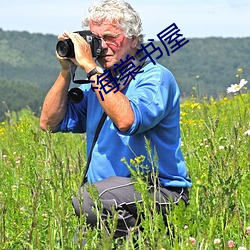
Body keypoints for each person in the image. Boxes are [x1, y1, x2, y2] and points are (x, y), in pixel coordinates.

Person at [40, 0, 192, 244]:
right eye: (95, 39)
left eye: (110, 37)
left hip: (160, 192)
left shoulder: (154, 77)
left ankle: (146, 241)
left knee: (88, 200)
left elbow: (127, 120)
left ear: (133, 39)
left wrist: (90, 67)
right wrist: (66, 70)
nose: (102, 46)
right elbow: (49, 123)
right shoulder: (99, 83)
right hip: (110, 199)